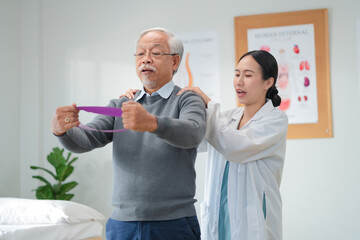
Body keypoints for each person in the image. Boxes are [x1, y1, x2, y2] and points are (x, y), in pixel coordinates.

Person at [51, 27, 206, 240]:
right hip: (122, 224)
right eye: (140, 53)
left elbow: (193, 132)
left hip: (174, 223)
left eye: (156, 52)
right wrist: (63, 131)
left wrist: (152, 123)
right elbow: (87, 138)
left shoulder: (186, 99)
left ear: (175, 62)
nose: (146, 59)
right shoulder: (122, 103)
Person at [122, 49, 288, 239]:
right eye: (236, 74)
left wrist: (207, 102)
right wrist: (145, 101)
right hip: (219, 217)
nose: (239, 81)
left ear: (268, 82)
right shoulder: (227, 118)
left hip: (253, 222)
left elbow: (234, 147)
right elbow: (189, 139)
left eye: (248, 75)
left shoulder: (275, 121)